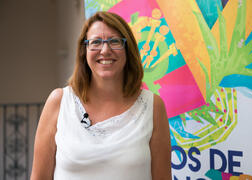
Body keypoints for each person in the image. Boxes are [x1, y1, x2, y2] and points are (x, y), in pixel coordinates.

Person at [30, 11, 171, 180]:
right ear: (84, 51)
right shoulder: (59, 102)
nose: (105, 50)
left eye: (115, 42)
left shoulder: (153, 106)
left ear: (128, 50)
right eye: (96, 42)